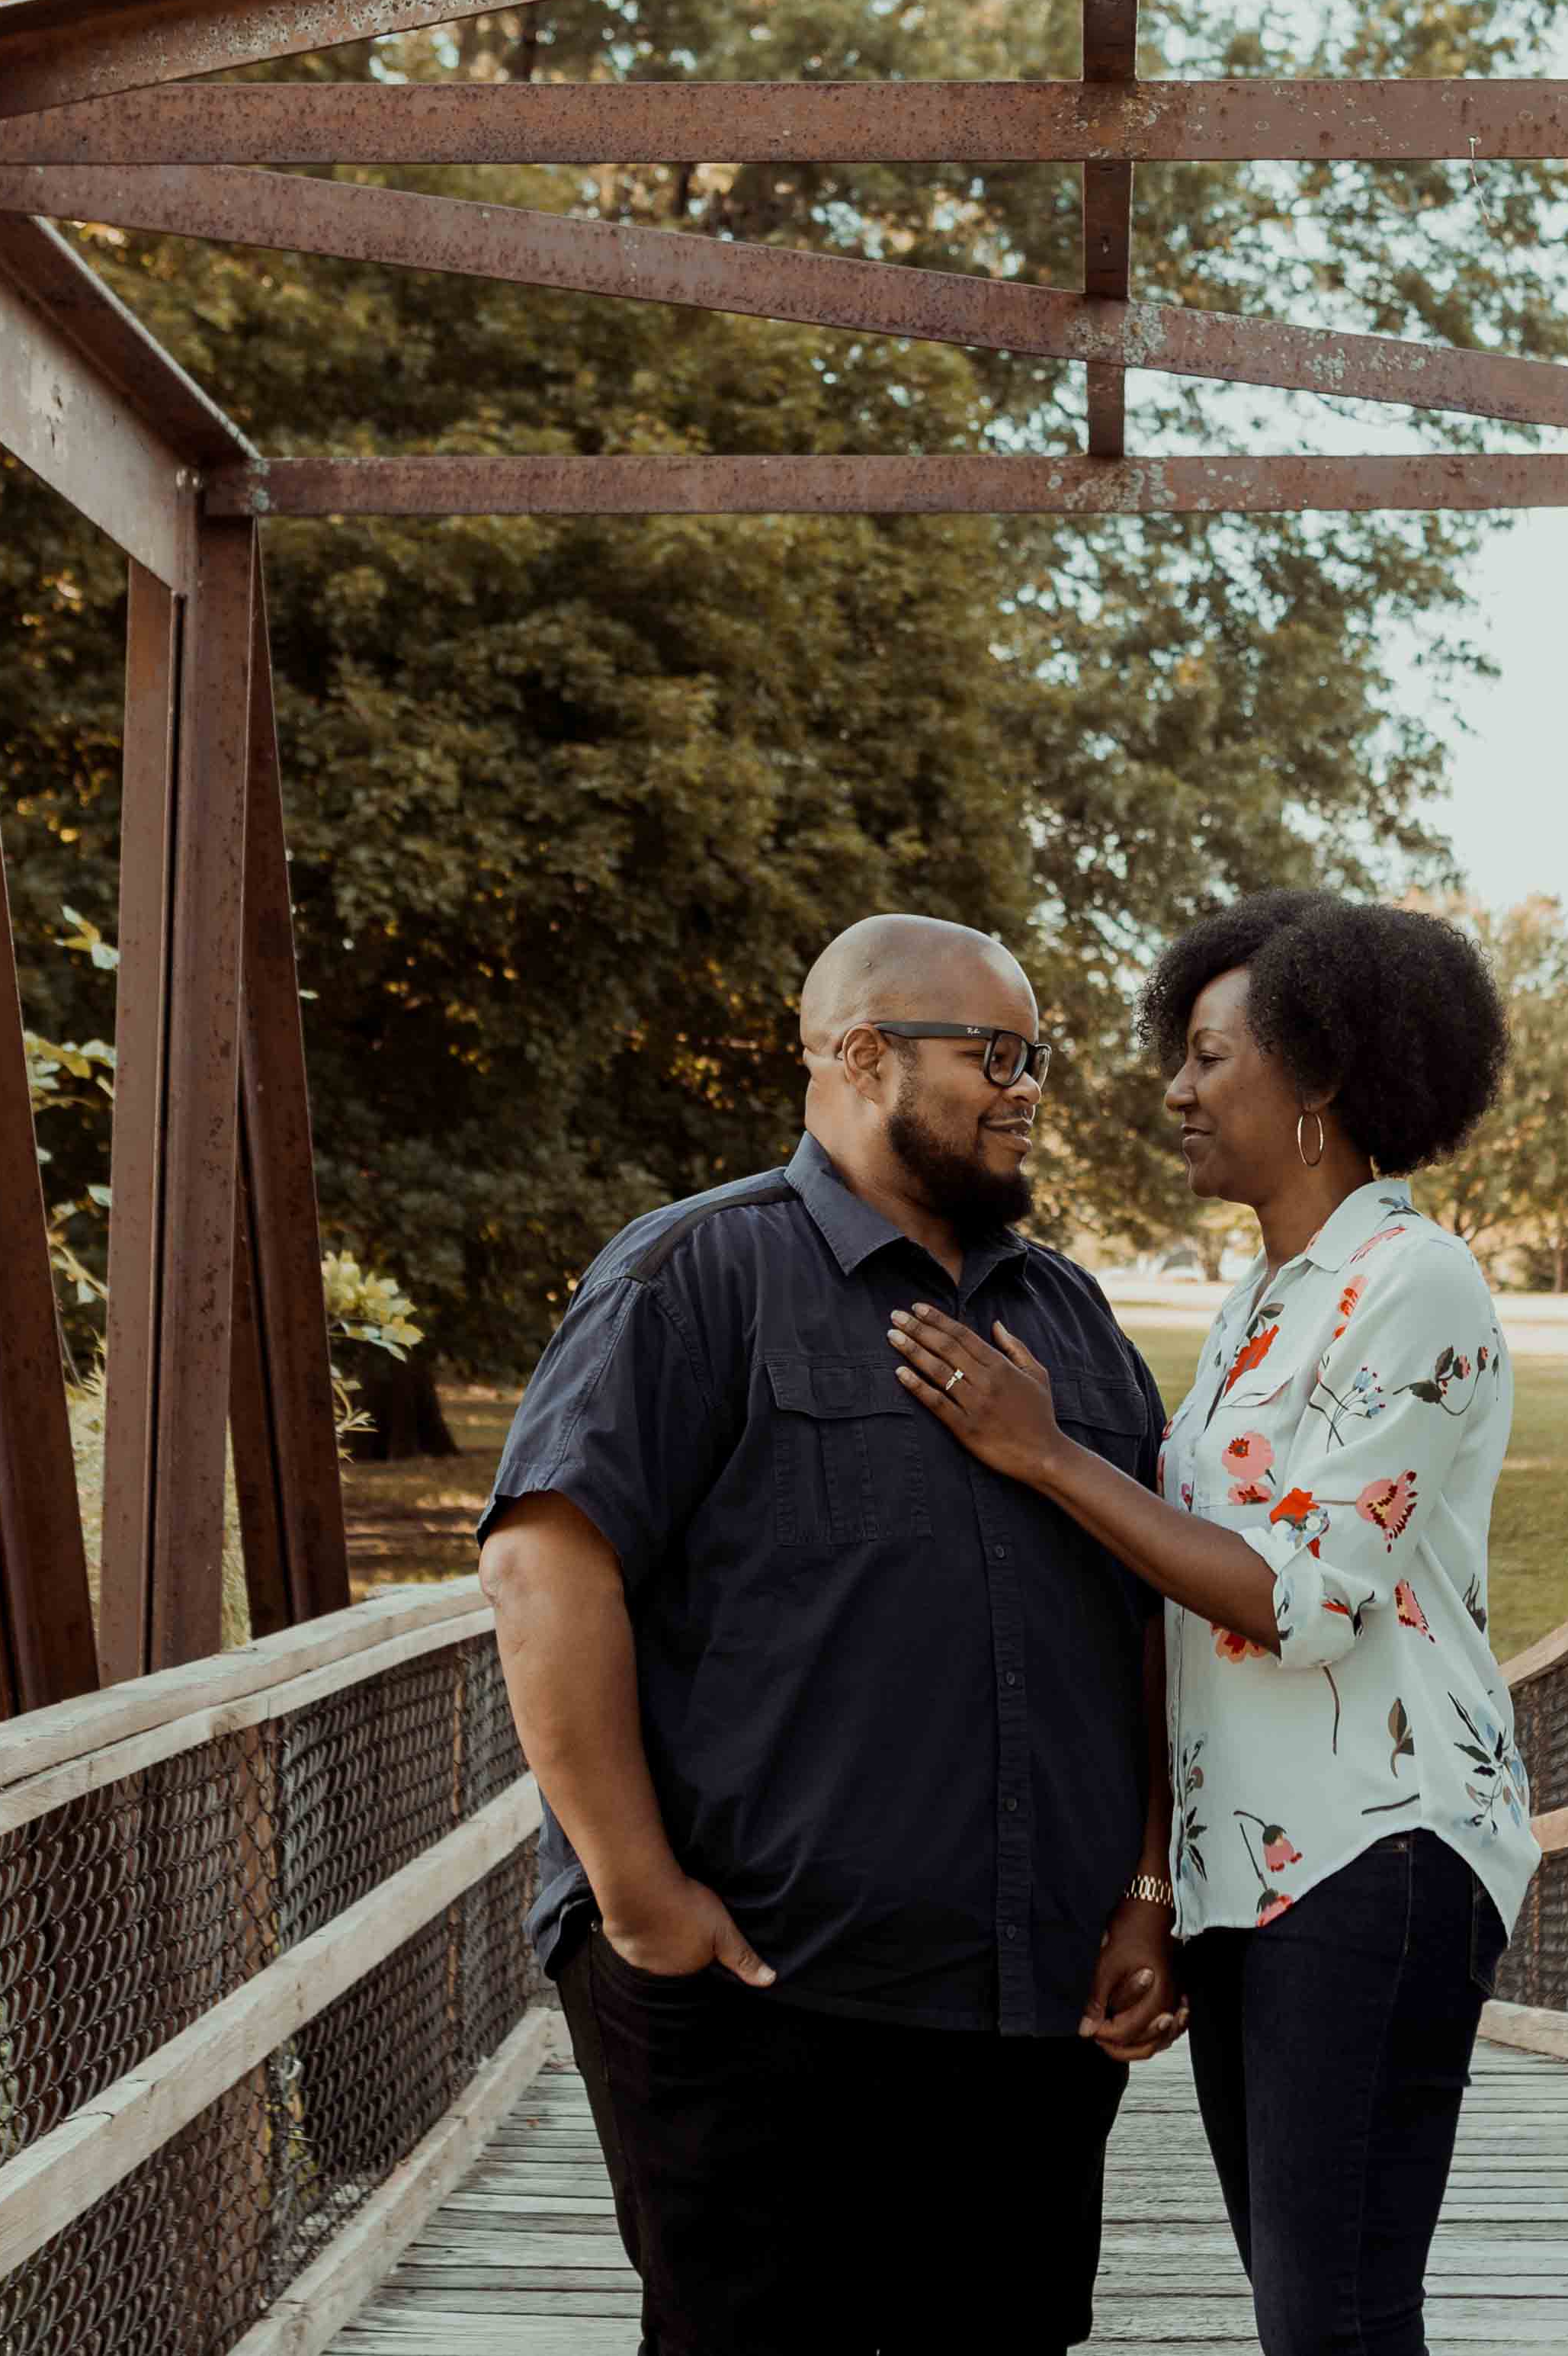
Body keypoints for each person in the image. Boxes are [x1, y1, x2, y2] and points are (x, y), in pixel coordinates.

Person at [473, 914, 1182, 2356]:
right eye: (994, 1052)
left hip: (1027, 2010)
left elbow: (1147, 1616)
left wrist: (1147, 1883)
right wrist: (639, 1899)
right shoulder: (692, 1276)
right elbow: (544, 1573)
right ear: (862, 1054)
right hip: (758, 1990)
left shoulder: (1074, 1316)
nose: (1026, 1085)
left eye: (1034, 1054)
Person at [887, 890, 1535, 2356]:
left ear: (1318, 1078)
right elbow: (1188, 1631)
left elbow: (1301, 1600)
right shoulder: (1263, 1300)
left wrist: (1048, 1454)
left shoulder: (1411, 1283)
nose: (1174, 1089)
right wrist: (1155, 1891)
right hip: (1258, 1871)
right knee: (1305, 2315)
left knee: (1338, 2323)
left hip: (1381, 1848)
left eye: (1208, 1055)